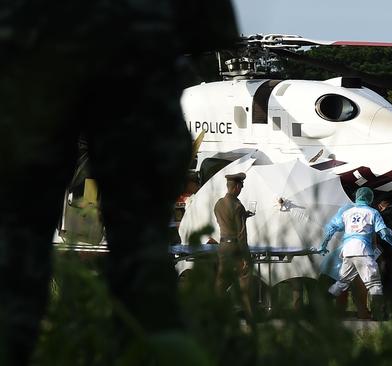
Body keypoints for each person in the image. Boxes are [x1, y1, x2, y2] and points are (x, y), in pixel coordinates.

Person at [0, 2, 238, 364]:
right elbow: (211, 29)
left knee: (20, 236)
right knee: (142, 247)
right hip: (134, 70)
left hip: (33, 65)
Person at [319, 187, 392, 320]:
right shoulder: (372, 212)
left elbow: (331, 228)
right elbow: (384, 233)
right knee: (374, 283)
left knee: (342, 283)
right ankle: (377, 314)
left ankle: (320, 304)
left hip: (347, 251)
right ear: (370, 198)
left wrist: (323, 245)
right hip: (364, 251)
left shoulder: (346, 211)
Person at [211, 173, 254, 320]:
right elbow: (242, 235)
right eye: (241, 186)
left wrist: (243, 216)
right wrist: (246, 256)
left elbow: (223, 221)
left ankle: (214, 314)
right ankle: (249, 316)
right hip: (235, 247)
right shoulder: (238, 206)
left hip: (223, 245)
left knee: (221, 281)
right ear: (236, 187)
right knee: (245, 278)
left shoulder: (218, 204)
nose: (241, 189)